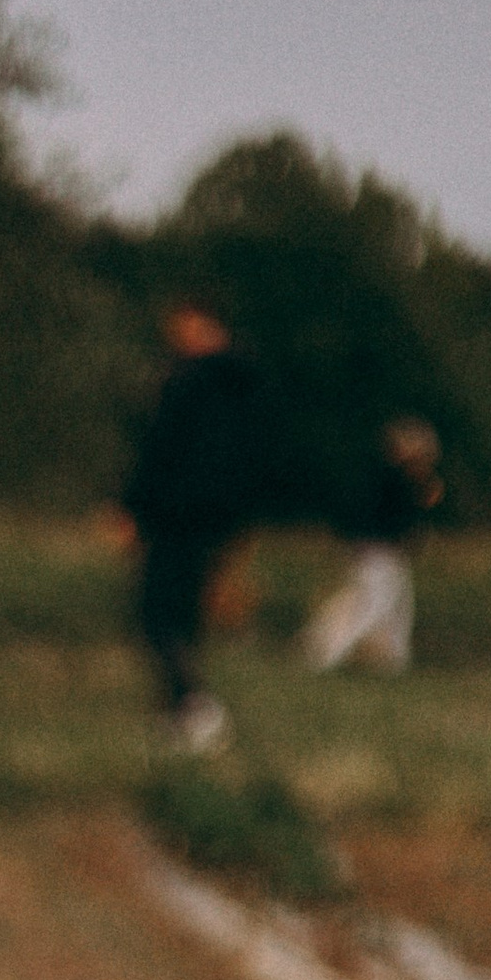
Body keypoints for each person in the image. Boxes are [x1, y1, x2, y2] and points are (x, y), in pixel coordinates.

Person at [121, 301, 272, 753]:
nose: (176, 334)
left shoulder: (187, 383)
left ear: (207, 326)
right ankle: (180, 713)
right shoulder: (247, 385)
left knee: (155, 613)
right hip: (217, 519)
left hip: (175, 515)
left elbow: (161, 452)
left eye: (184, 325)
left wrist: (134, 506)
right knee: (184, 614)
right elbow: (256, 459)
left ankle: (193, 707)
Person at [304, 416, 443, 675]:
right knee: (371, 604)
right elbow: (399, 518)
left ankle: (393, 662)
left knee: (397, 606)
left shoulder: (383, 474)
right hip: (376, 550)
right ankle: (325, 655)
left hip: (377, 549)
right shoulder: (392, 477)